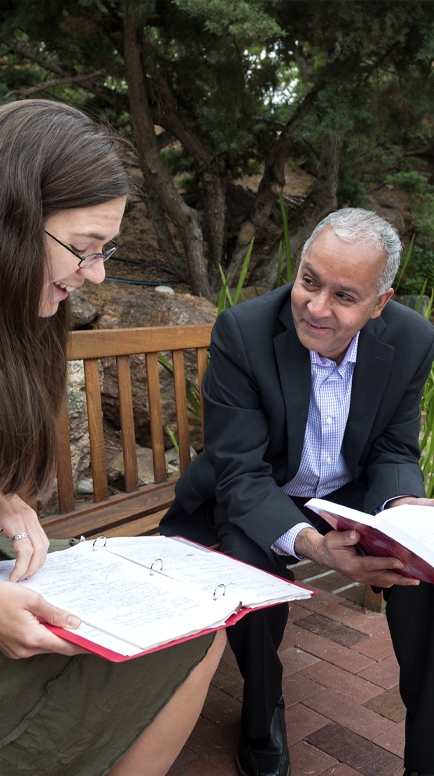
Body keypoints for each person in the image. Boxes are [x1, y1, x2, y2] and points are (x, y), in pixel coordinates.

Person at [0, 99, 225, 776]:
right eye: (82, 249)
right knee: (189, 636)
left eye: (105, 251)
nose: (97, 274)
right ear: (9, 219)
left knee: (185, 621)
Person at [161, 208, 434, 776]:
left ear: (379, 304)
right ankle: (263, 715)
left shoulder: (411, 338)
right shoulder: (244, 331)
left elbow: (393, 449)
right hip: (258, 488)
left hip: (348, 494)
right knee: (246, 557)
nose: (315, 307)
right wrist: (312, 546)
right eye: (309, 281)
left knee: (425, 569)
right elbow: (238, 470)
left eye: (344, 296)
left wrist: (398, 509)